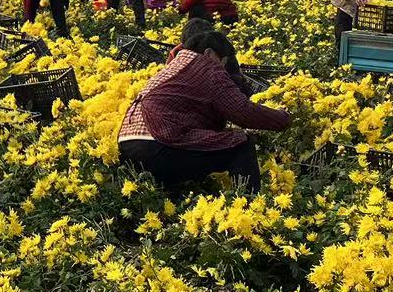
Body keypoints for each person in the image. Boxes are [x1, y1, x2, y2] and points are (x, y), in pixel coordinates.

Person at [116, 27, 289, 195]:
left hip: (128, 146)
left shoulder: (177, 65)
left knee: (207, 144)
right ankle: (251, 208)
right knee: (241, 144)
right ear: (209, 54)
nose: (223, 68)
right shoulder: (206, 67)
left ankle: (181, 201)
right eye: (223, 61)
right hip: (157, 143)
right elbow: (242, 111)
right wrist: (283, 119)